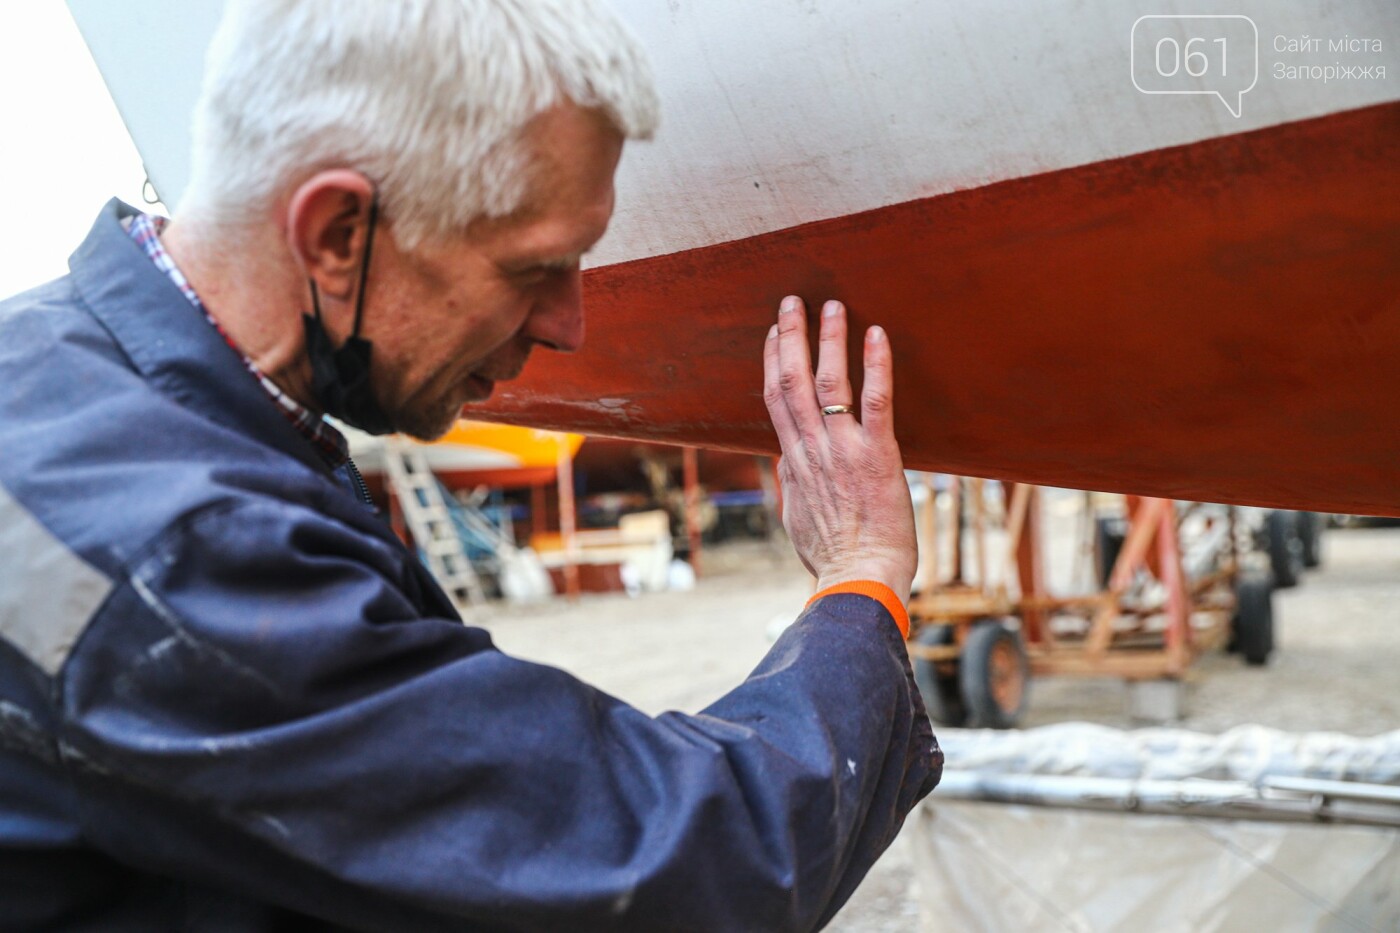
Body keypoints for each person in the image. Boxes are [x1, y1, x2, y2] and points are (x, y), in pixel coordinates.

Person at [0, 0, 940, 929]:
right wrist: (863, 577)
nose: (569, 327)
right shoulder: (179, 547)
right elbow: (661, 870)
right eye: (533, 269)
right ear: (336, 235)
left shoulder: (44, 362)